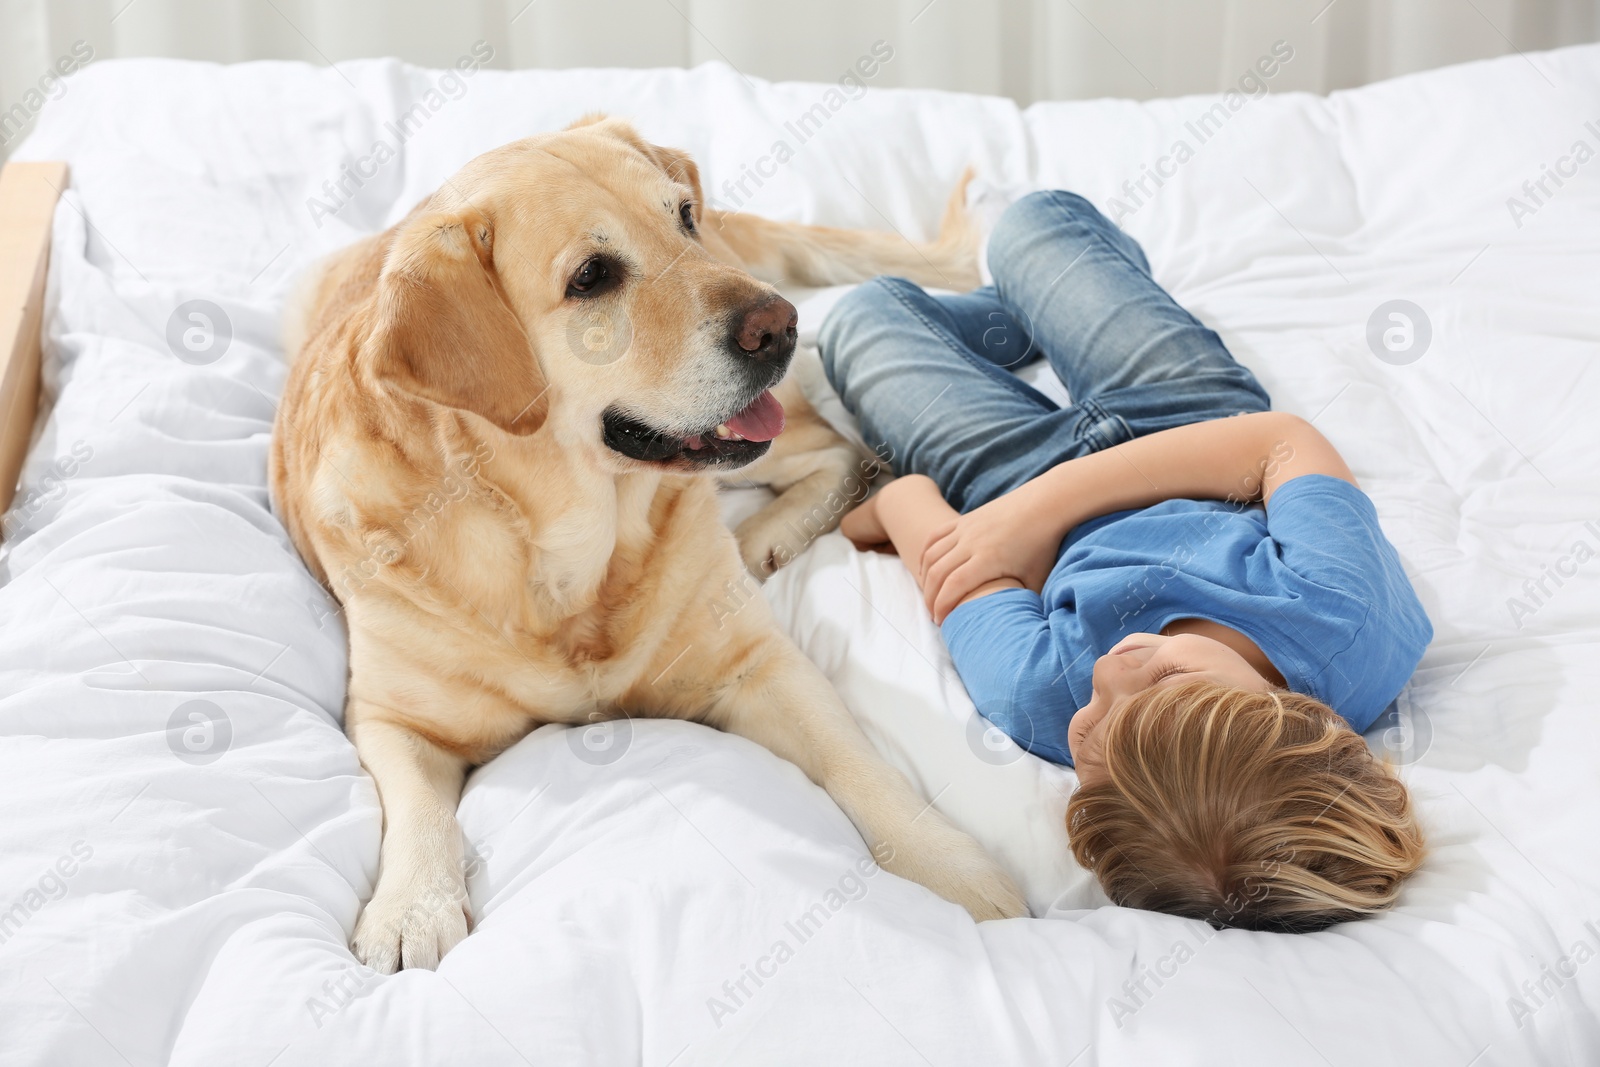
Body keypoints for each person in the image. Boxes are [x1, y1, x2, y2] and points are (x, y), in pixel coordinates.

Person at [819, 190, 1430, 932]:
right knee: (1031, 224)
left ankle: (1024, 315)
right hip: (1189, 415)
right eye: (1168, 675)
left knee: (861, 315)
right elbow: (1279, 443)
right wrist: (1035, 516)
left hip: (1006, 472)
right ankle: (1036, 300)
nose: (1109, 672)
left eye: (1091, 728)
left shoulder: (1042, 697)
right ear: (1304, 713)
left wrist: (893, 507)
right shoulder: (1347, 620)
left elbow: (945, 548)